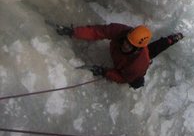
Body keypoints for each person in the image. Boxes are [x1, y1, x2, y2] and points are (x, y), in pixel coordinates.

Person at [55, 23, 183, 88]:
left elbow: (123, 78)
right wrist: (74, 32)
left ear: (137, 48)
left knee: (136, 82)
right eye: (126, 41)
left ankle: (172, 39)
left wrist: (105, 72)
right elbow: (97, 32)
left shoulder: (137, 65)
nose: (125, 45)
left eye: (130, 45)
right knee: (151, 50)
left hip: (135, 65)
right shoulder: (122, 31)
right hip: (131, 57)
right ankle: (171, 39)